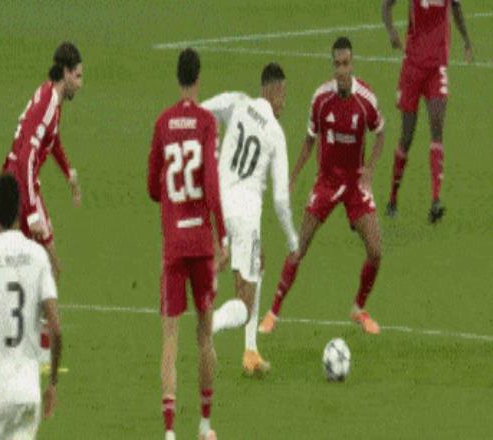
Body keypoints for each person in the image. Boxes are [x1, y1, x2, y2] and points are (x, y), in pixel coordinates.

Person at [259, 37, 385, 335]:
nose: (341, 70)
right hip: (327, 182)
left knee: (376, 251)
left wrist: (369, 169)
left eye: (346, 64)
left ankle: (358, 308)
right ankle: (273, 312)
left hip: (354, 184)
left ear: (352, 64)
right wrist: (292, 178)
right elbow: (309, 140)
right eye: (337, 64)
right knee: (298, 246)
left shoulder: (366, 100)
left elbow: (380, 133)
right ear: (332, 65)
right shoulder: (320, 99)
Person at [147, 48, 228, 440]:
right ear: (198, 78)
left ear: (177, 77)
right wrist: (222, 234)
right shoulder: (207, 122)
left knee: (169, 338)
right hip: (201, 243)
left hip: (174, 245)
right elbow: (210, 181)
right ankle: (205, 424)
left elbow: (152, 186)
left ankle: (169, 432)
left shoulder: (163, 123)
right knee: (205, 336)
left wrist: (168, 200)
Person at [202, 63, 298, 374]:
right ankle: (212, 323)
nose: (284, 103)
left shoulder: (237, 102)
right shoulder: (275, 133)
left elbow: (202, 111)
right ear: (275, 89)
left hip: (217, 210)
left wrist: (213, 144)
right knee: (244, 301)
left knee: (259, 263)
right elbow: (281, 200)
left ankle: (251, 351)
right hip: (245, 216)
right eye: (284, 95)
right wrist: (292, 240)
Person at [383, 0, 473, 222]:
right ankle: (393, 198)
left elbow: (457, 7)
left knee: (437, 130)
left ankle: (435, 200)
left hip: (437, 67)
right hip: (412, 68)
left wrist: (466, 40)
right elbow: (386, 5)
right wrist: (391, 31)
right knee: (407, 137)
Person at [1, 41, 83, 280]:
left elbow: (52, 139)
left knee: (14, 266)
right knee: (49, 266)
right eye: (77, 76)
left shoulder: (49, 95)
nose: (80, 84)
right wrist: (32, 214)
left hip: (13, 181)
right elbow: (25, 158)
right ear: (66, 73)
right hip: (19, 185)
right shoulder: (48, 105)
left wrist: (68, 172)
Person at [0, 174, 62, 440]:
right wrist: (52, 384)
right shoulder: (37, 256)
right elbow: (55, 329)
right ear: (21, 210)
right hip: (28, 394)